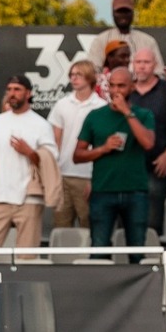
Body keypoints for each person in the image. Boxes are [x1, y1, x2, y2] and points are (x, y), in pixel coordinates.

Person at [74, 66, 156, 257]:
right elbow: (77, 155)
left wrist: (127, 112)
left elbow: (148, 143)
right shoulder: (95, 116)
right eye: (112, 86)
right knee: (99, 248)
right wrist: (103, 148)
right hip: (103, 191)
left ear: (132, 87)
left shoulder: (144, 115)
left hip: (135, 191)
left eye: (121, 86)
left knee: (137, 251)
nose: (116, 91)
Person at [0, 73, 56, 250]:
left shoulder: (41, 124)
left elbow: (52, 160)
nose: (12, 93)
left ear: (28, 93)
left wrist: (29, 152)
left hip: (29, 198)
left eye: (17, 89)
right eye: (9, 90)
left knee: (27, 257)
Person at [127, 47, 166, 237]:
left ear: (155, 65)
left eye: (146, 63)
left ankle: (153, 262)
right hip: (127, 163)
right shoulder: (126, 90)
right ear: (133, 65)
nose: (142, 67)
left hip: (157, 164)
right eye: (138, 62)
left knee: (152, 223)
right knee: (125, 220)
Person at [48, 58, 104, 232]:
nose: (74, 78)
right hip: (63, 174)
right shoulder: (61, 104)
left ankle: (89, 259)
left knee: (89, 225)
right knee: (61, 225)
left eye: (79, 74)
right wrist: (55, 172)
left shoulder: (102, 106)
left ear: (90, 77)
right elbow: (54, 140)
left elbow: (103, 145)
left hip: (88, 175)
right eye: (71, 75)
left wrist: (96, 178)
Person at [84, 0, 161, 68]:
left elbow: (159, 72)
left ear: (133, 13)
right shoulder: (101, 40)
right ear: (113, 13)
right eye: (119, 12)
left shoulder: (148, 41)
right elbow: (93, 70)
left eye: (126, 12)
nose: (123, 15)